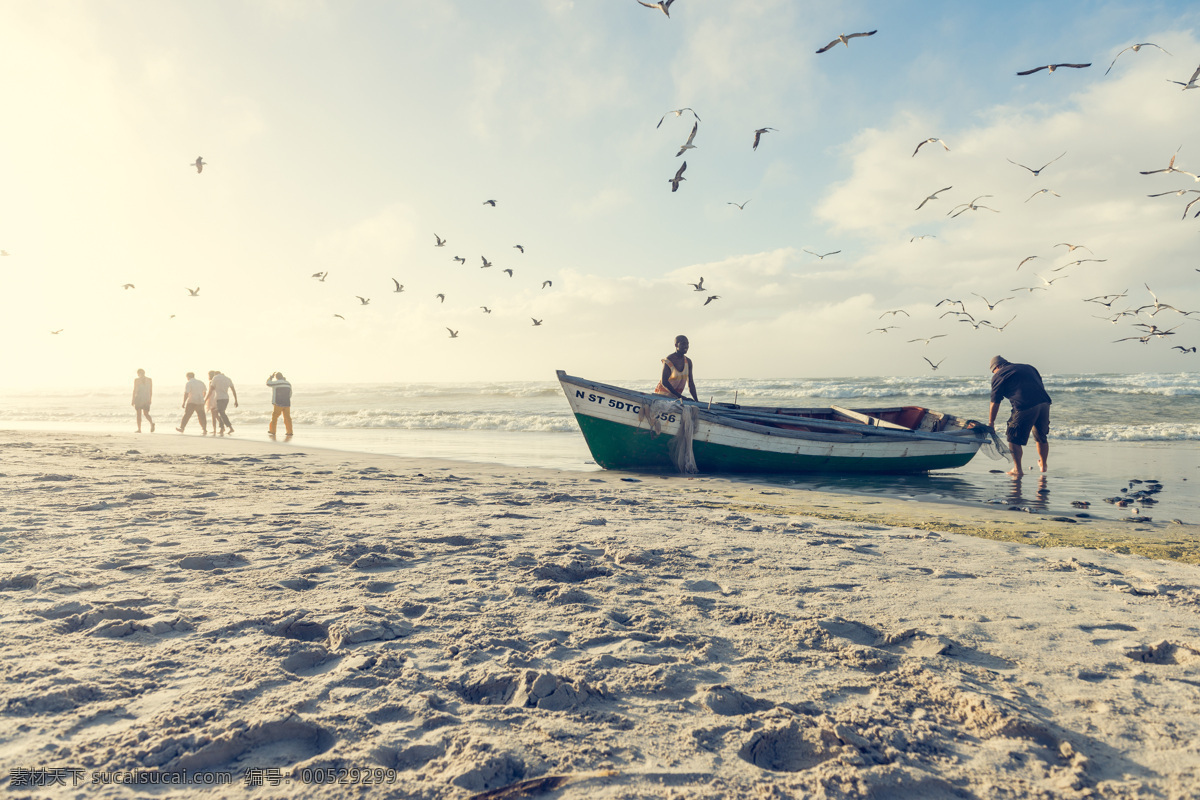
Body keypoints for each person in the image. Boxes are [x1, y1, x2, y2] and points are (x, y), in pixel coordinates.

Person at [986, 355, 1052, 477]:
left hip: (1025, 406)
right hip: (1044, 403)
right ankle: (1043, 464)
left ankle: (1017, 469)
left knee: (1013, 437)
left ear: (997, 367)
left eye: (993, 371)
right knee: (1040, 436)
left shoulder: (999, 374)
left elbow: (995, 401)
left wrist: (991, 422)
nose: (993, 374)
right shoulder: (1029, 367)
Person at [654, 335, 698, 401]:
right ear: (676, 345)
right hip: (661, 397)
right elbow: (664, 382)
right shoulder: (669, 360)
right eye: (683, 344)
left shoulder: (688, 362)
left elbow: (691, 383)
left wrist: (696, 401)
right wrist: (681, 397)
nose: (686, 346)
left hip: (675, 399)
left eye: (687, 344)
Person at [207, 370, 238, 435]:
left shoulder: (215, 378)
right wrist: (236, 400)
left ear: (215, 374)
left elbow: (210, 390)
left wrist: (205, 400)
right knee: (220, 412)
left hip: (219, 398)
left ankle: (230, 428)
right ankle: (222, 428)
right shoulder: (228, 378)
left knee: (221, 412)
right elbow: (233, 390)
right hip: (226, 398)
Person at [266, 372, 294, 437]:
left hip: (278, 403)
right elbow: (290, 394)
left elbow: (268, 383)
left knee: (275, 417)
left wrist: (270, 377)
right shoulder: (288, 383)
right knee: (287, 417)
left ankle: (273, 431)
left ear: (277, 377)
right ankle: (289, 431)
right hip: (287, 403)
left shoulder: (277, 382)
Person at [131, 369, 154, 433]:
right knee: (142, 414)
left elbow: (135, 390)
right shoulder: (147, 380)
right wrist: (150, 399)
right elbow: (135, 390)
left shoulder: (139, 380)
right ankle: (140, 428)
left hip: (142, 398)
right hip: (141, 398)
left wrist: (133, 400)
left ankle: (149, 425)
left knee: (144, 414)